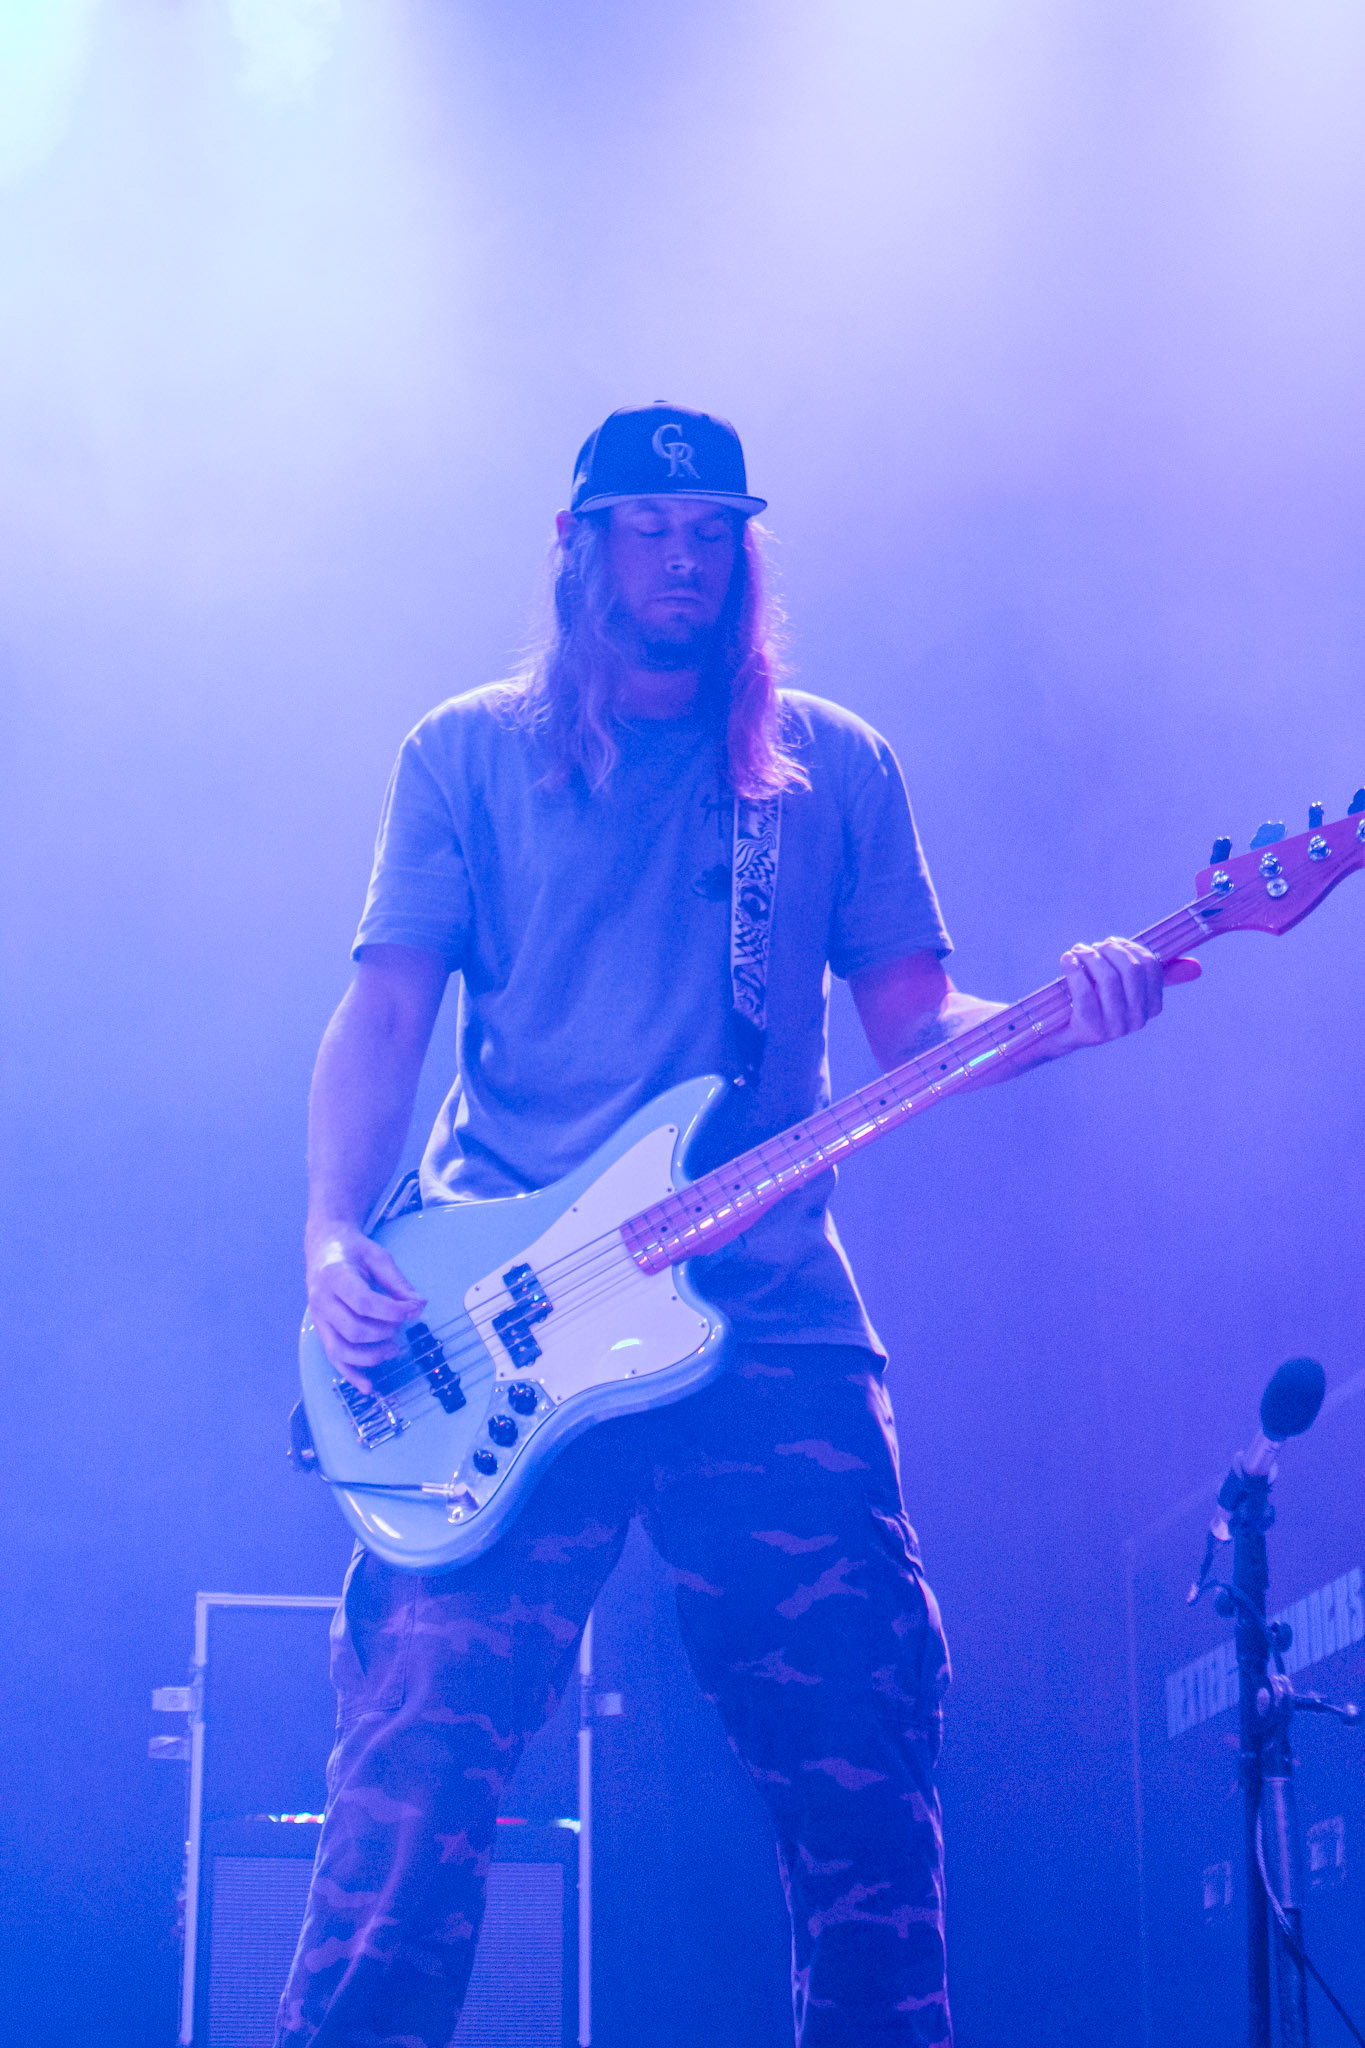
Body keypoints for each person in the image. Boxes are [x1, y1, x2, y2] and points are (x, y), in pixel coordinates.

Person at [276, 403, 1174, 2048]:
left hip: (767, 1324)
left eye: (712, 534)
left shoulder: (826, 768)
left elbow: (915, 1026)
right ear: (577, 547)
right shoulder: (463, 754)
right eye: (648, 530)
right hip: (503, 1317)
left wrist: (1072, 1008)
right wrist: (335, 1235)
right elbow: (386, 1012)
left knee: (865, 1779)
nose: (682, 562)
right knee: (410, 1788)